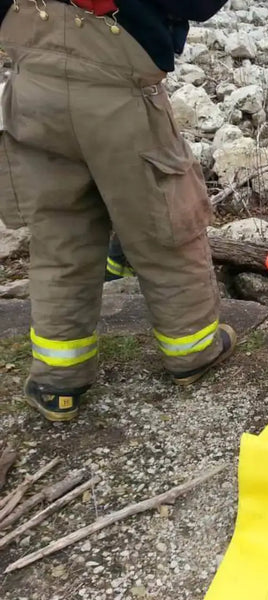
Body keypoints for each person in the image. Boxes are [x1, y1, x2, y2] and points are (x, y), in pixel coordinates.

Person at [0, 0, 235, 422]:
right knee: (165, 229)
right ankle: (193, 354)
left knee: (58, 235)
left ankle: (59, 380)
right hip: (119, 96)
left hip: (33, 87)